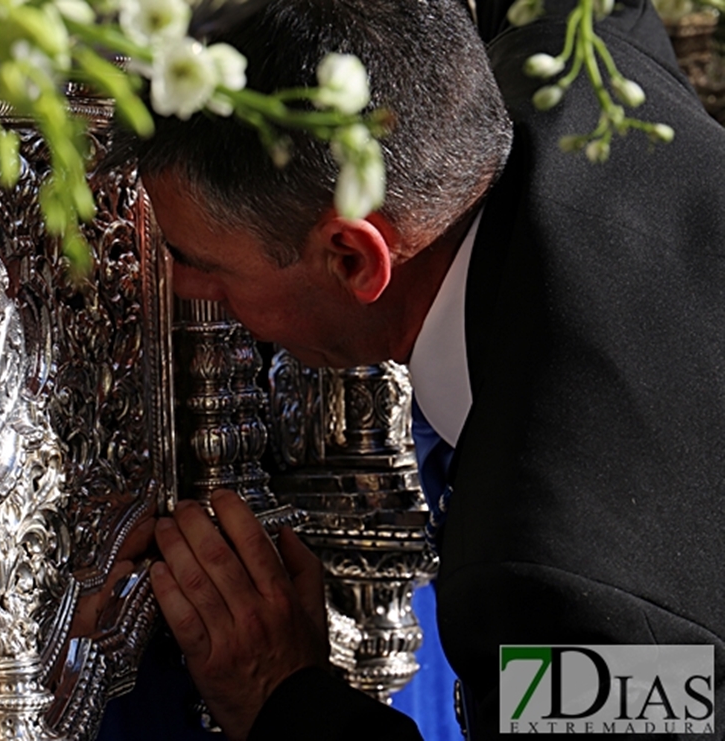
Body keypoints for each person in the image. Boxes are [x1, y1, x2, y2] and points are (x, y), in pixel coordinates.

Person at [131, 0, 725, 739]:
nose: (180, 288)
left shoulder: (548, 573)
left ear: (353, 258)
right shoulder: (579, 65)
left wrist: (281, 694)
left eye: (201, 265)